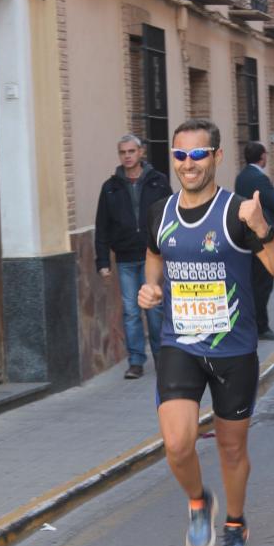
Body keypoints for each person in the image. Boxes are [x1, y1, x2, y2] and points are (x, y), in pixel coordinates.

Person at [138, 119, 274, 546]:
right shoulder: (159, 212)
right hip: (181, 345)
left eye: (198, 154)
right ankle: (196, 500)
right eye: (180, 155)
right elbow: (154, 254)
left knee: (231, 448)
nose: (188, 164)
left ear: (217, 158)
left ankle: (235, 523)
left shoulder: (237, 213)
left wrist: (263, 227)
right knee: (176, 444)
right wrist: (151, 287)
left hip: (234, 351)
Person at [95, 134, 172, 378]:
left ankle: (163, 358)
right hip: (126, 258)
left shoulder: (158, 182)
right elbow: (102, 226)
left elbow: (171, 217)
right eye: (122, 152)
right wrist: (103, 261)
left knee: (155, 309)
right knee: (130, 310)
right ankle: (136, 362)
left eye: (131, 151)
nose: (127, 156)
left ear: (141, 153)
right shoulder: (110, 187)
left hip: (154, 256)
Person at [234, 142, 274, 341]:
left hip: (246, 237)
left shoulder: (241, 177)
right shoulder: (259, 178)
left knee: (253, 283)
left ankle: (250, 323)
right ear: (262, 157)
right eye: (266, 154)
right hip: (261, 238)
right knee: (263, 284)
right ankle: (261, 326)